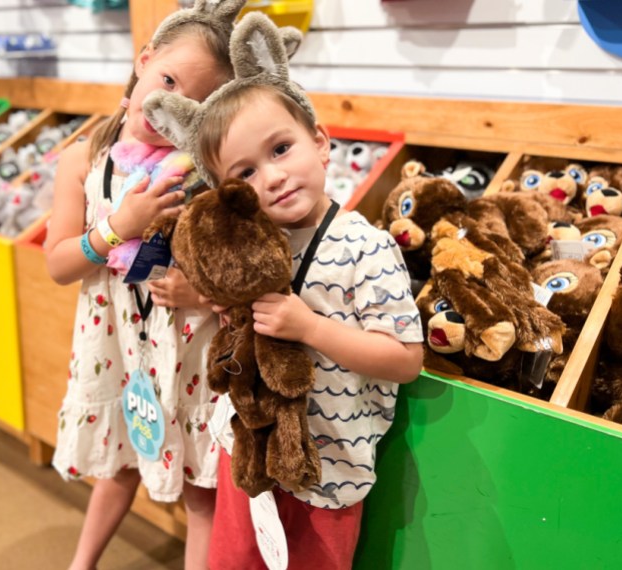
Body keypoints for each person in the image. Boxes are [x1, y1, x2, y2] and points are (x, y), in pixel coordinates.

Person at [142, 12, 424, 569]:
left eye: (280, 149)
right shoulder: (249, 237)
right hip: (247, 452)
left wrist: (310, 328)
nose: (270, 177)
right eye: (243, 173)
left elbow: (405, 359)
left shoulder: (363, 247)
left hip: (328, 468)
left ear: (320, 143)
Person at [44, 2, 246, 569]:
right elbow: (60, 265)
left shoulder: (209, 172)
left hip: (186, 352)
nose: (165, 108)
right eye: (166, 81)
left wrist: (199, 294)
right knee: (119, 464)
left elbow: (244, 278)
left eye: (191, 103)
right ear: (145, 59)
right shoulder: (84, 160)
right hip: (114, 346)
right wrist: (116, 229)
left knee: (200, 493)